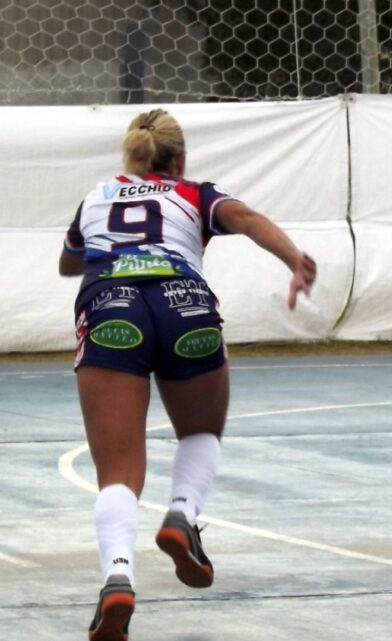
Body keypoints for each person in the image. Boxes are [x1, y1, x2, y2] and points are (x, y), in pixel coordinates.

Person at [59, 109, 317, 641]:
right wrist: (294, 258)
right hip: (186, 305)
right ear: (178, 159)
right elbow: (244, 218)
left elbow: (70, 263)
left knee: (118, 471)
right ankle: (181, 514)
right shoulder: (195, 194)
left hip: (112, 308)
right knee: (200, 430)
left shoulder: (96, 197)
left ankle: (118, 579)